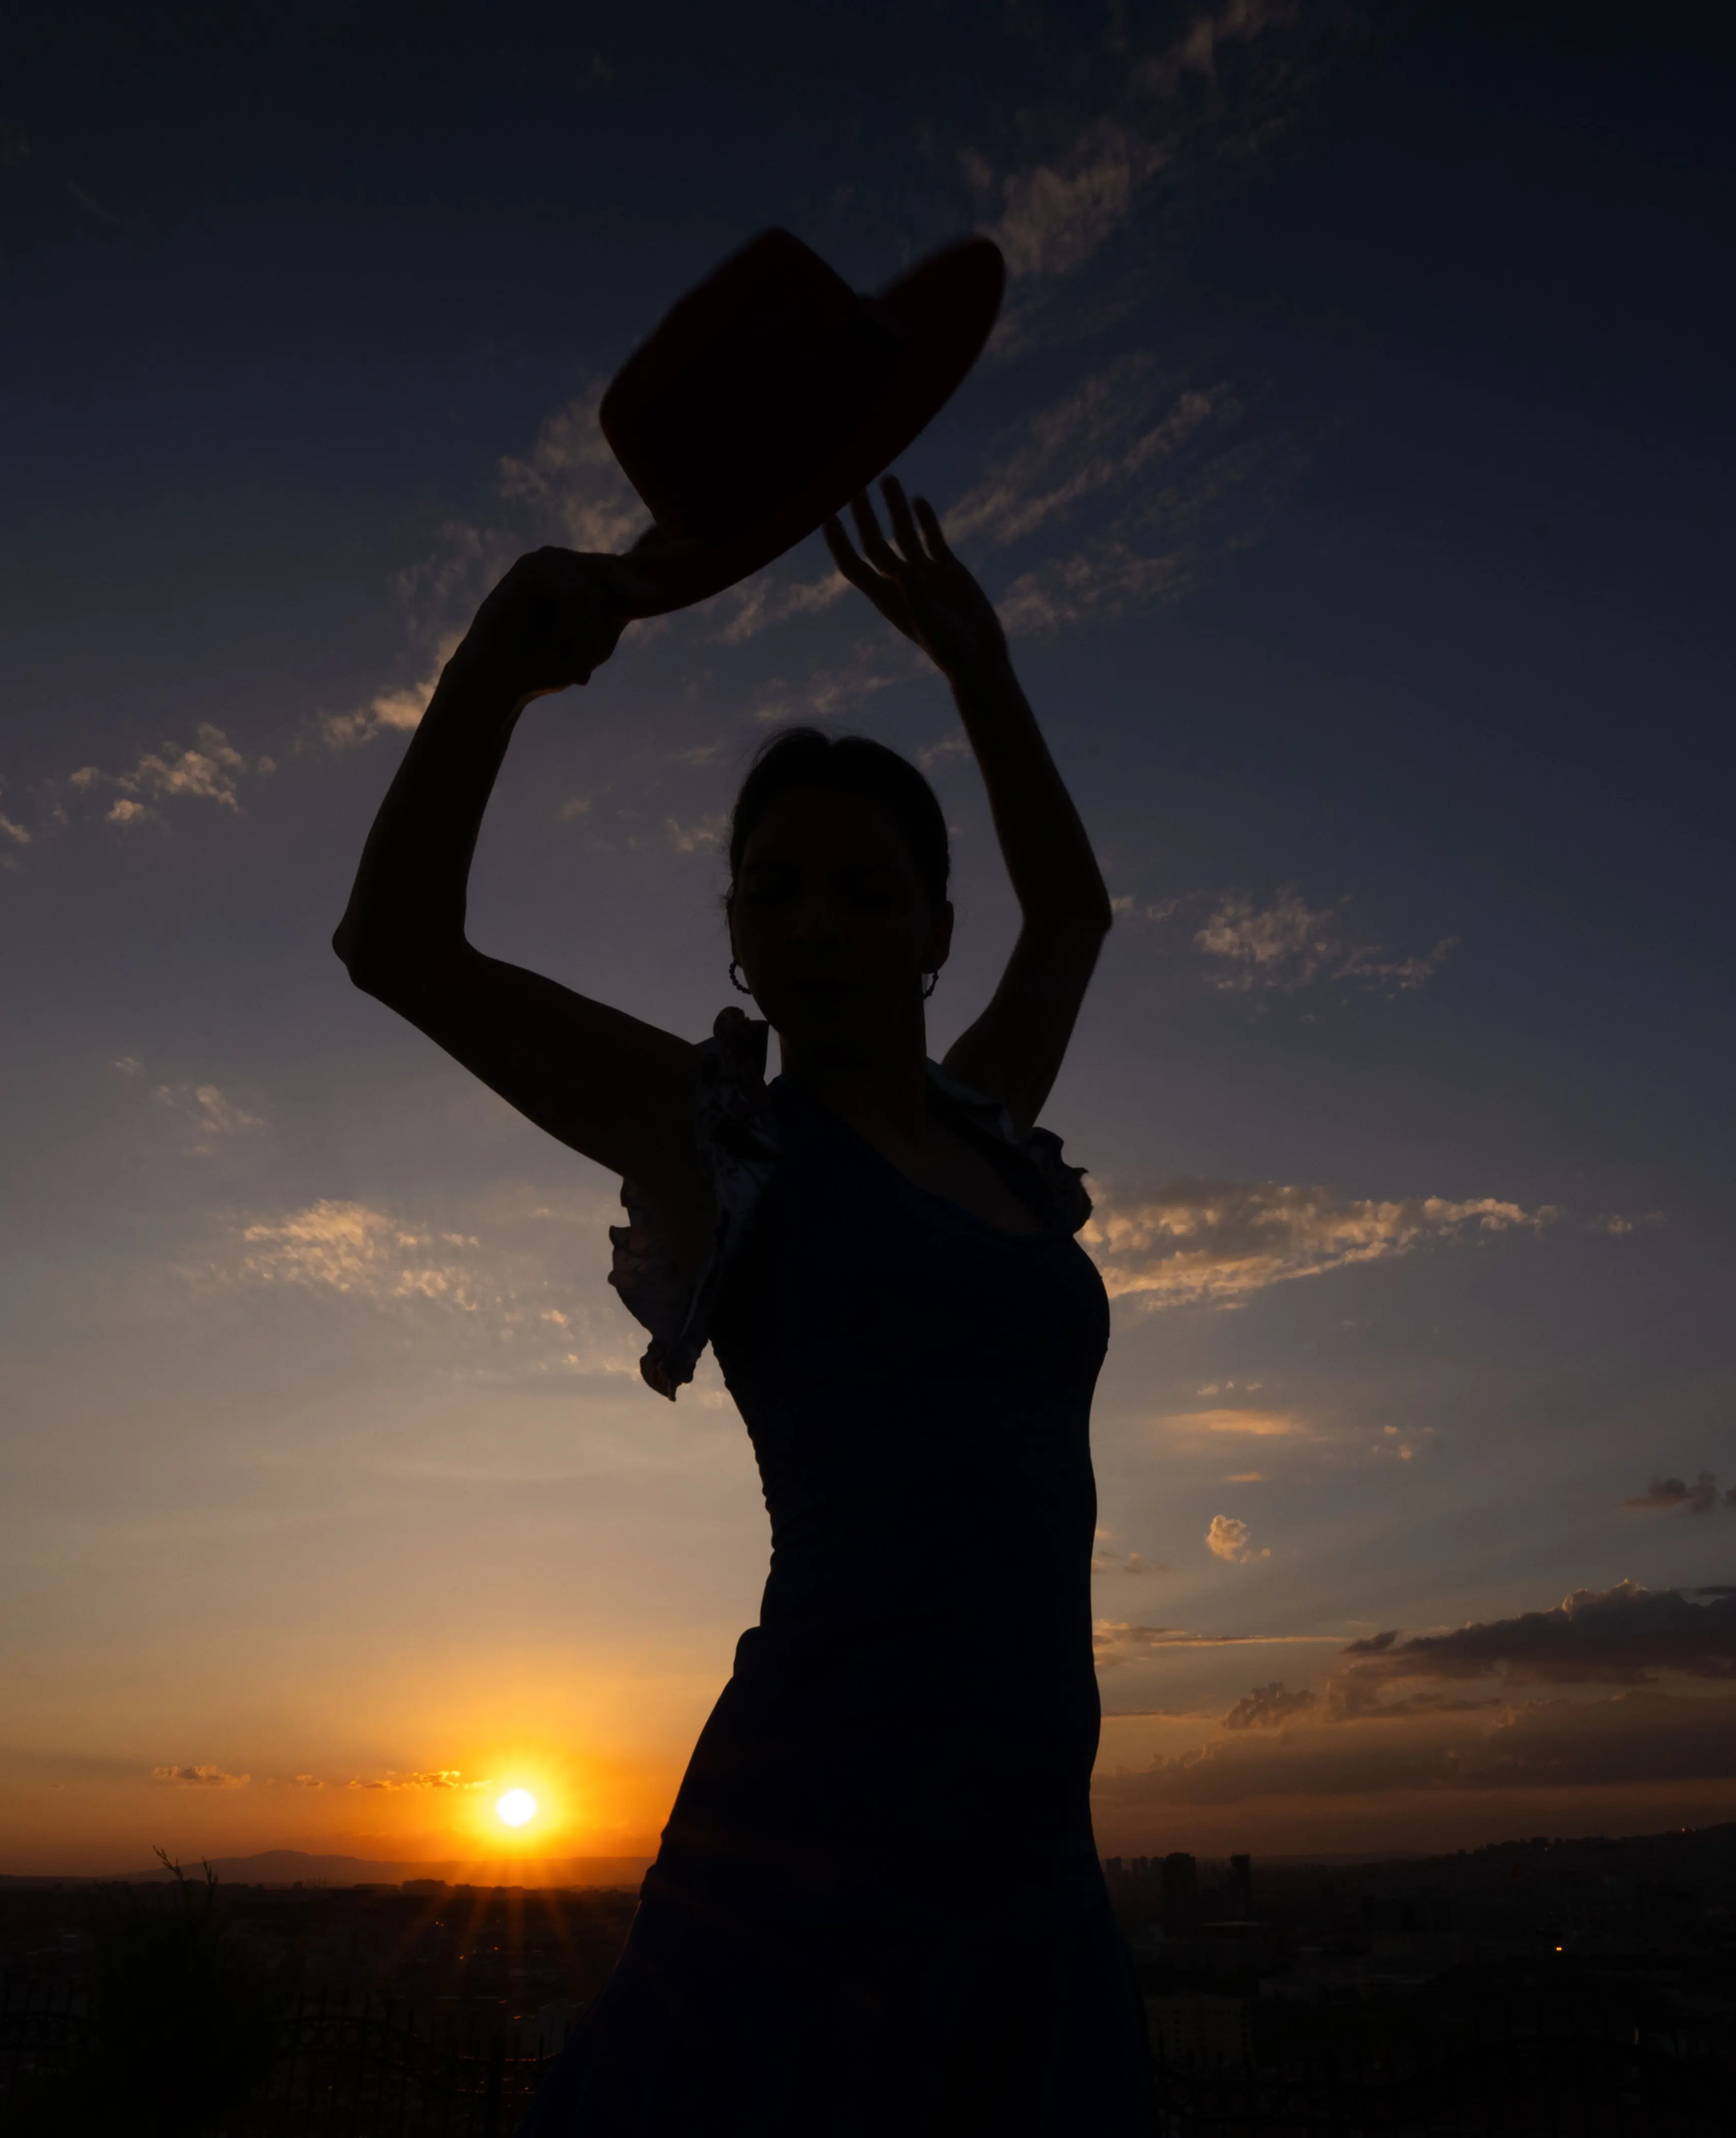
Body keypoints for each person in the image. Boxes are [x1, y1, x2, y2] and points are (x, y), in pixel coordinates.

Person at [336, 477, 1147, 2131]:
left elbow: (1072, 912)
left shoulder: (989, 1122)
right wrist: (498, 662)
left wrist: (980, 665)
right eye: (772, 892)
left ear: (933, 930)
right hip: (813, 1837)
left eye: (863, 891)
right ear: (732, 937)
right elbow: (398, 940)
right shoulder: (723, 1141)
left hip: (1031, 1858)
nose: (814, 924)